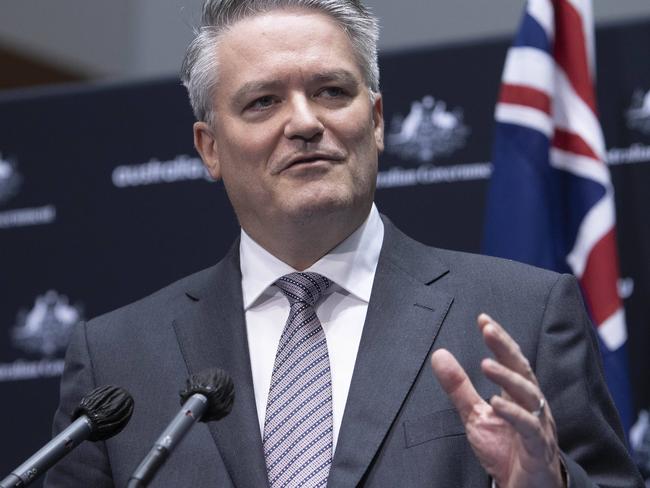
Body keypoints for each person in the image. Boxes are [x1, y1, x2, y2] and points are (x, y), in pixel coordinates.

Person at [46, 0, 643, 487]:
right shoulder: (116, 358)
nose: (305, 122)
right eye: (263, 102)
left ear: (377, 121)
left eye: (331, 91)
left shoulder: (525, 313)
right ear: (209, 148)